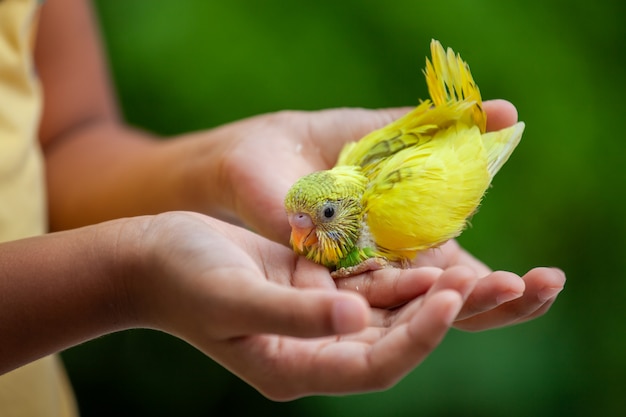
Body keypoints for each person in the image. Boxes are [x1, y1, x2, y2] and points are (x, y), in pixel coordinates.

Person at [0, 0, 565, 415]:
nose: (296, 233)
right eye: (299, 217)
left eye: (316, 218)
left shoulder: (388, 212)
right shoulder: (352, 195)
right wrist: (127, 274)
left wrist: (222, 160)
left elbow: (65, 139)